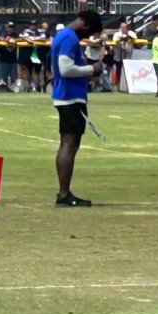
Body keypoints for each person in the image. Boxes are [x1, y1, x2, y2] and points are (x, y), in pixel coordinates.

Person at [51, 11, 104, 207]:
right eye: (90, 34)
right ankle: (64, 194)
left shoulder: (62, 34)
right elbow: (65, 69)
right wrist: (92, 70)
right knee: (69, 144)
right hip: (70, 96)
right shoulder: (70, 38)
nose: (87, 38)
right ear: (87, 26)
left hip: (65, 95)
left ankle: (64, 193)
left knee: (68, 143)